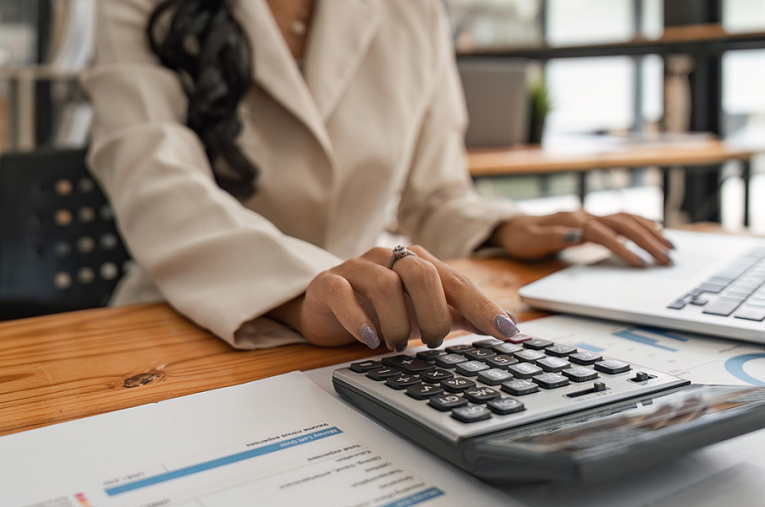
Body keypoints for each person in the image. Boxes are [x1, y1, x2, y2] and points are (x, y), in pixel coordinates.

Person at [82, 0, 673, 351]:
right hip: (195, 319)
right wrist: (299, 287)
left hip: (372, 326)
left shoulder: (413, 9)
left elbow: (435, 195)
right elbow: (154, 179)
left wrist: (510, 225)